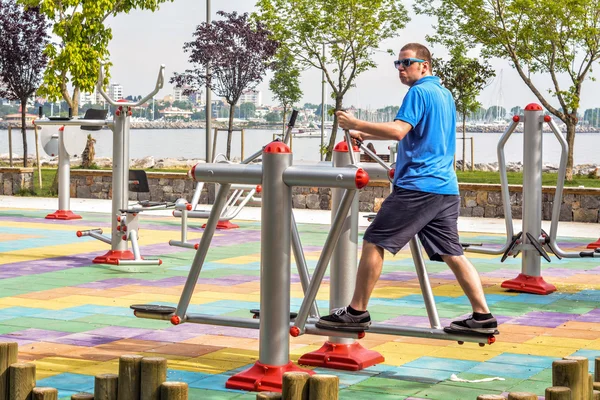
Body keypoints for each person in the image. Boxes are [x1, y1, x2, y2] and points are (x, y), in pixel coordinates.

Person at [316, 43, 497, 335]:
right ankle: (483, 316)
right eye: (397, 63)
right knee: (452, 252)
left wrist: (354, 123)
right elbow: (419, 131)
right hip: (445, 188)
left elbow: (400, 130)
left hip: (418, 187)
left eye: (406, 63)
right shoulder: (443, 94)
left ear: (423, 65)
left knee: (375, 240)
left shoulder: (418, 91)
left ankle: (356, 311)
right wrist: (367, 132)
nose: (401, 68)